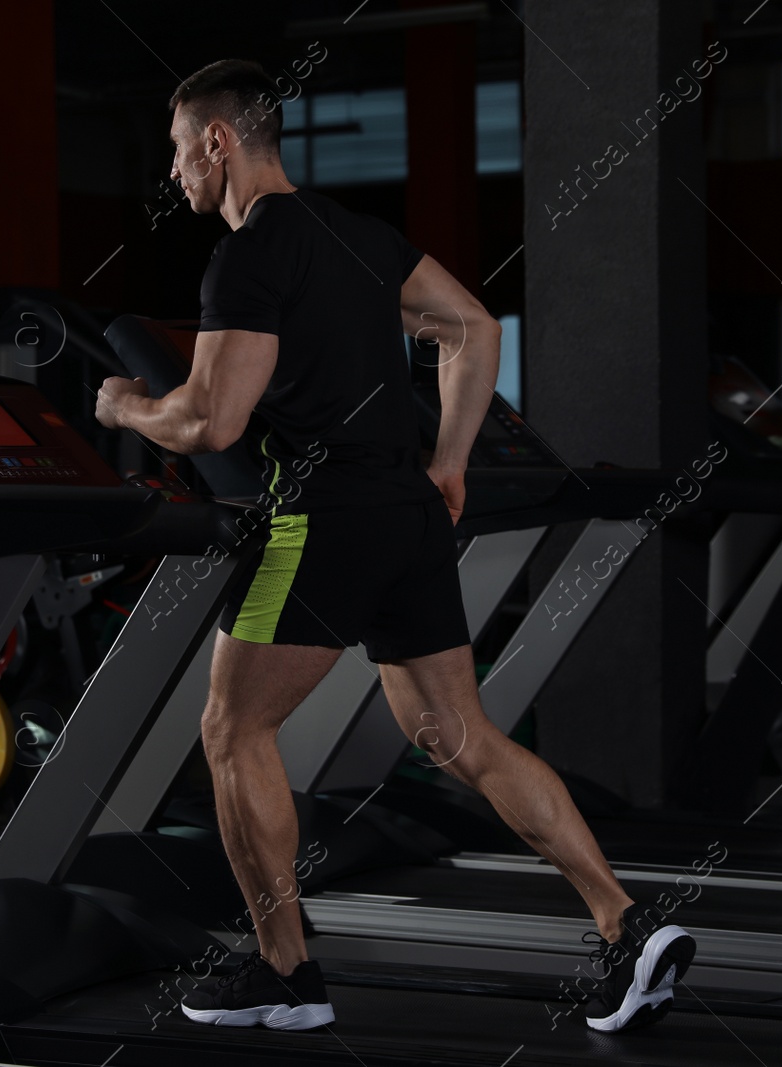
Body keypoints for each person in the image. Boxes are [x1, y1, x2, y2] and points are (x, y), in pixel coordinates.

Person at [94, 58, 695, 1035]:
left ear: (215, 141)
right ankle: (624, 920)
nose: (174, 176)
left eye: (176, 152)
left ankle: (286, 973)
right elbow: (474, 326)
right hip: (406, 514)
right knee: (456, 735)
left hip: (320, 518)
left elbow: (210, 420)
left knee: (231, 730)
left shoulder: (247, 255)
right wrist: (447, 461)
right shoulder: (361, 236)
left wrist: (126, 406)